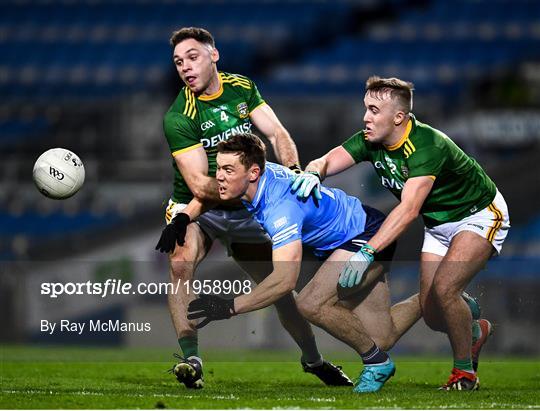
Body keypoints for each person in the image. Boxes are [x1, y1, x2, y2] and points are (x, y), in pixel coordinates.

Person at [155, 27, 352, 389]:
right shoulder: (178, 116)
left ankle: (314, 360)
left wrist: (292, 173)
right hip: (201, 206)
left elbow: (277, 133)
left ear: (214, 55)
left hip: (246, 208)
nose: (185, 66)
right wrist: (244, 187)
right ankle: (191, 359)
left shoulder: (241, 88)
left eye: (193, 56)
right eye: (178, 62)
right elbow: (199, 184)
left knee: (279, 289)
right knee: (180, 265)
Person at [291, 76, 510, 390]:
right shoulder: (370, 140)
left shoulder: (427, 146)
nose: (366, 117)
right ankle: (474, 332)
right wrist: (313, 172)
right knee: (434, 314)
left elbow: (408, 211)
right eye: (366, 108)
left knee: (445, 289)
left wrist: (366, 252)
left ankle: (465, 375)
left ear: (398, 117)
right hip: (437, 224)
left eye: (374, 110)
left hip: (478, 215)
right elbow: (326, 160)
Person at [187, 133, 422, 393]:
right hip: (358, 227)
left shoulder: (280, 209)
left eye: (228, 169)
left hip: (366, 236)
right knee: (381, 336)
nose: (219, 175)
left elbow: (285, 280)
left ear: (253, 173)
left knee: (310, 303)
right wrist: (181, 218)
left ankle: (376, 363)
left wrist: (229, 307)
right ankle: (440, 301)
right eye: (218, 168)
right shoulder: (260, 179)